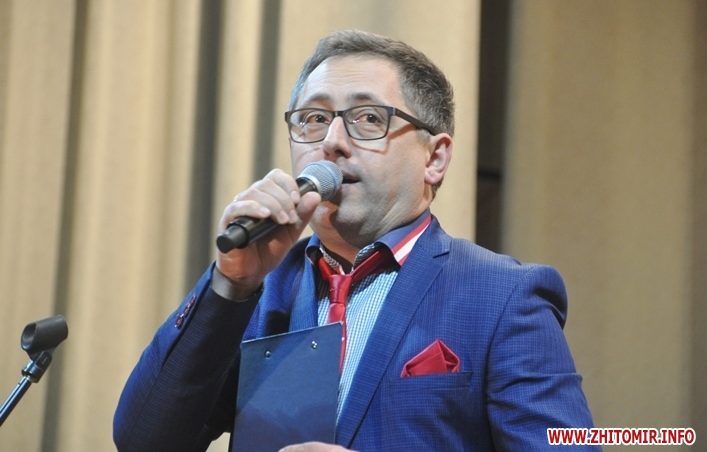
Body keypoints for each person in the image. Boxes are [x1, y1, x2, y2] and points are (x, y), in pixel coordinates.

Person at [114, 30, 597, 451]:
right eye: (313, 119)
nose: (331, 141)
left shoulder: (502, 296)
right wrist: (229, 286)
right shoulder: (260, 294)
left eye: (368, 118)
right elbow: (144, 441)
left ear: (435, 158)